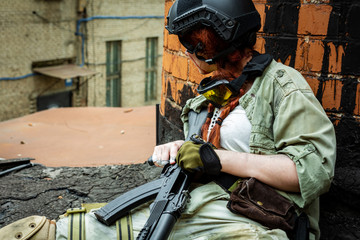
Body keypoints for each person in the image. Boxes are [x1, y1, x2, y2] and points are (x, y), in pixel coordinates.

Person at [151, 0, 336, 239]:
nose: (187, 51)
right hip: (206, 206)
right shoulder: (210, 95)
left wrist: (214, 158)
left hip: (262, 222)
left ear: (219, 44)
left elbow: (313, 172)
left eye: (193, 43)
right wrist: (182, 149)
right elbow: (209, 156)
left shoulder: (283, 86)